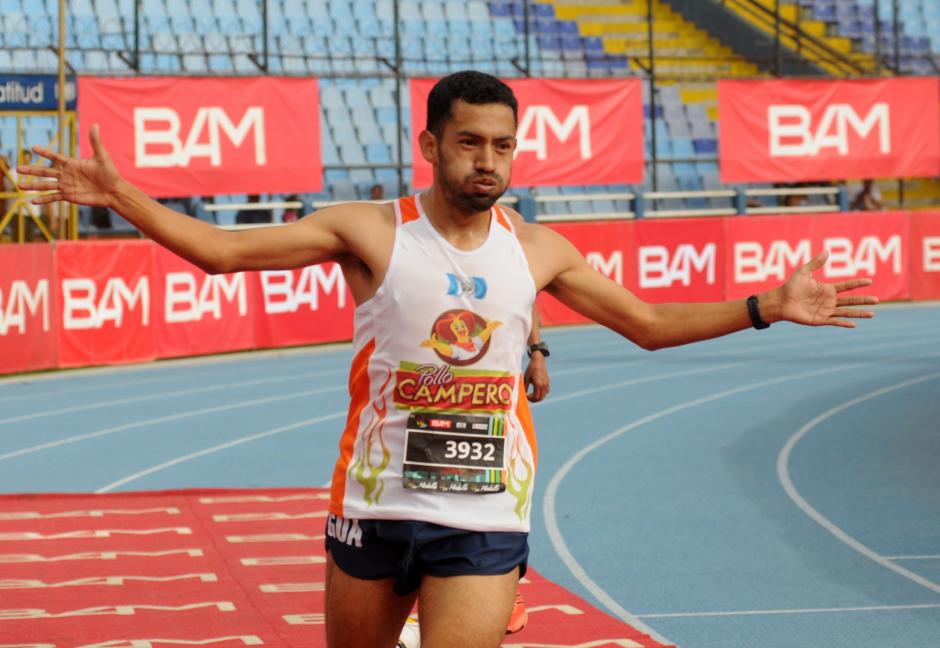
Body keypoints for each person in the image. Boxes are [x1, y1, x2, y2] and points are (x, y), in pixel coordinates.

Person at [18, 70, 876, 648]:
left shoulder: (539, 249)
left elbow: (646, 322)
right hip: (374, 499)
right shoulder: (368, 230)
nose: (489, 162)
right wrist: (121, 194)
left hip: (483, 512)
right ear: (430, 146)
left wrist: (767, 306)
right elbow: (220, 253)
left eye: (503, 146)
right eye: (470, 144)